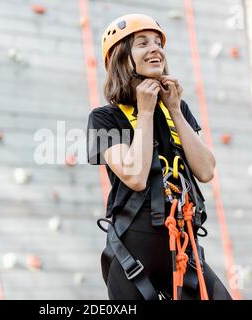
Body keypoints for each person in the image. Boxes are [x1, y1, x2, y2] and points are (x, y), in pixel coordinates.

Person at [87, 14, 232, 300]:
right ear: (121, 58)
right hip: (133, 256)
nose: (155, 49)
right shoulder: (104, 118)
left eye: (158, 43)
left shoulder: (177, 110)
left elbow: (206, 171)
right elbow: (135, 176)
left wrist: (175, 110)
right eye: (142, 43)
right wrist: (145, 111)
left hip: (182, 249)